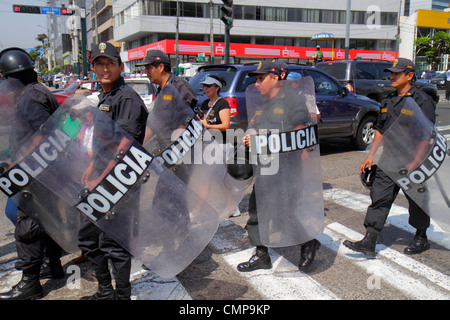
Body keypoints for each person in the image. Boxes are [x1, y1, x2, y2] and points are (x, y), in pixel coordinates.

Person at [343, 58, 436, 257]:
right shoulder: (388, 100)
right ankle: (370, 239)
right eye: (391, 73)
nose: (391, 76)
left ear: (409, 76)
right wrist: (371, 156)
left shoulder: (421, 100)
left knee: (417, 199)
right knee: (379, 197)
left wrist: (415, 162)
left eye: (396, 73)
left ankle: (421, 237)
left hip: (414, 160)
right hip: (389, 159)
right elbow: (380, 129)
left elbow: (426, 135)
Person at [78, 42, 148, 300]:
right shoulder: (105, 97)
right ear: (93, 67)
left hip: (118, 179)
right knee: (88, 239)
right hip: (101, 176)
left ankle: (122, 295)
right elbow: (104, 141)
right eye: (99, 63)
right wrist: (91, 166)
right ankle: (105, 291)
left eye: (110, 63)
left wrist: (101, 175)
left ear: (120, 65)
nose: (104, 68)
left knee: (113, 242)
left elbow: (125, 144)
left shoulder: (126, 97)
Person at [237, 60, 322, 272]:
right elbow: (253, 126)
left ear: (276, 78)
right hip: (265, 166)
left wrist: (303, 171)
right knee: (257, 210)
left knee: (287, 211)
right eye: (255, 80)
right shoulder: (262, 103)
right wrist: (251, 136)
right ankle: (261, 254)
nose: (257, 84)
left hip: (286, 168)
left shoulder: (293, 100)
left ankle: (308, 241)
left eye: (260, 79)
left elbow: (301, 136)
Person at [0, 47, 64, 300]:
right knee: (46, 223)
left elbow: (42, 135)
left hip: (35, 173)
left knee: (28, 227)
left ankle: (30, 283)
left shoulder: (30, 97)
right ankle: (54, 266)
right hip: (41, 171)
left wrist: (18, 161)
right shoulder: (36, 91)